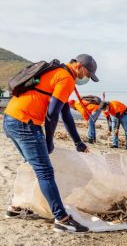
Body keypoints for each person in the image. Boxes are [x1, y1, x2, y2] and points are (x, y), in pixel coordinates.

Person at [3, 54, 100, 233]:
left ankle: (16, 207)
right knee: (45, 171)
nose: (86, 78)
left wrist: (78, 142)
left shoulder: (57, 73)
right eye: (88, 73)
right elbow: (52, 114)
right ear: (79, 66)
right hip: (25, 122)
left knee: (32, 165)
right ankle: (62, 218)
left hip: (11, 118)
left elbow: (66, 115)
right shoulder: (66, 78)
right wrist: (48, 141)